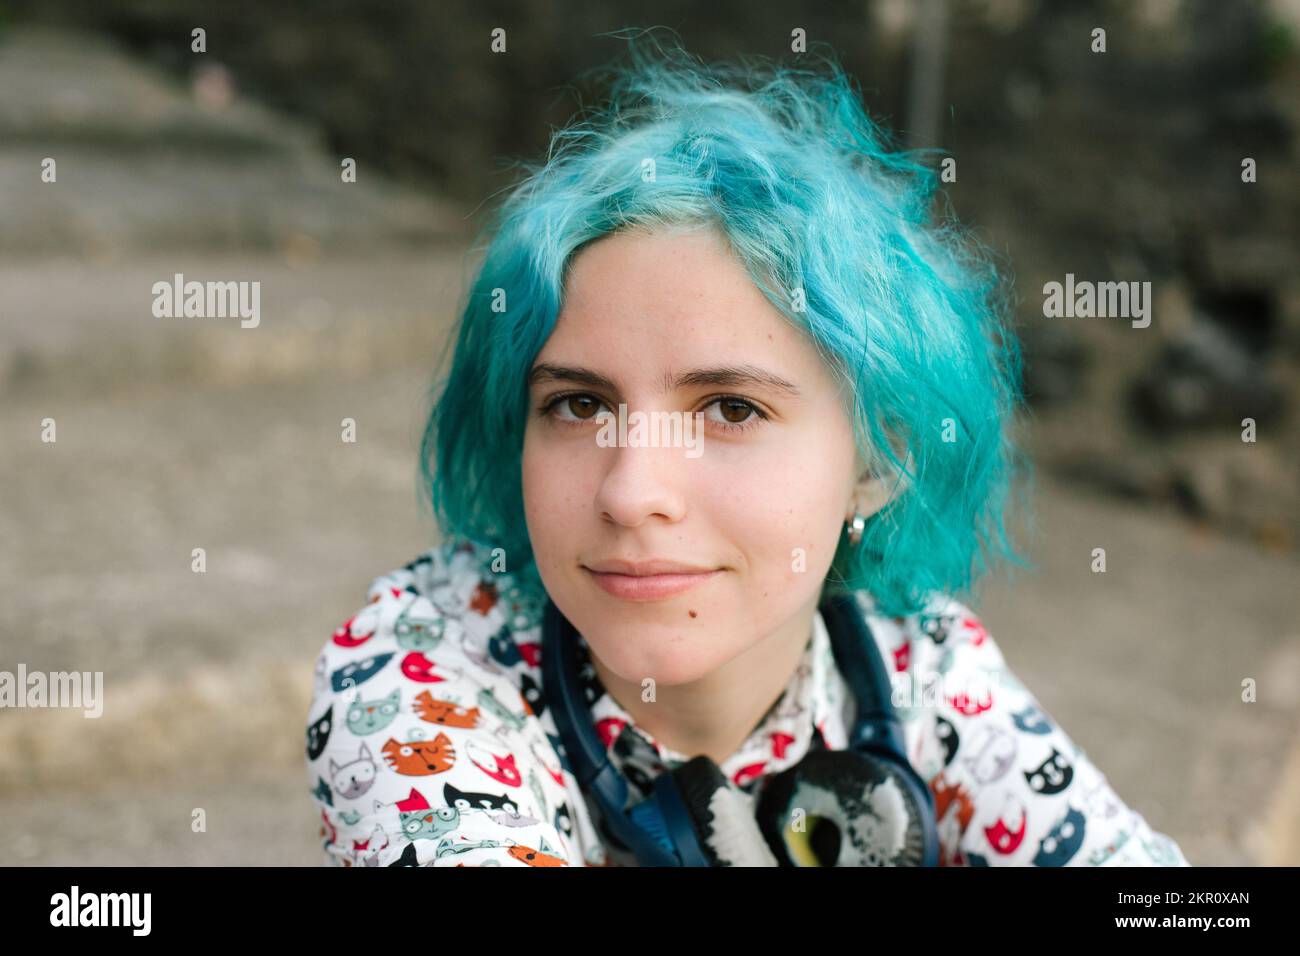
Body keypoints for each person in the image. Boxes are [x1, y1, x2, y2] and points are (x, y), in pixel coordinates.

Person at [303, 40, 1190, 867]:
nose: (632, 491)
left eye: (730, 408)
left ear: (882, 462)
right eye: (578, 404)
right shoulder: (414, 669)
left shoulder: (915, 660)